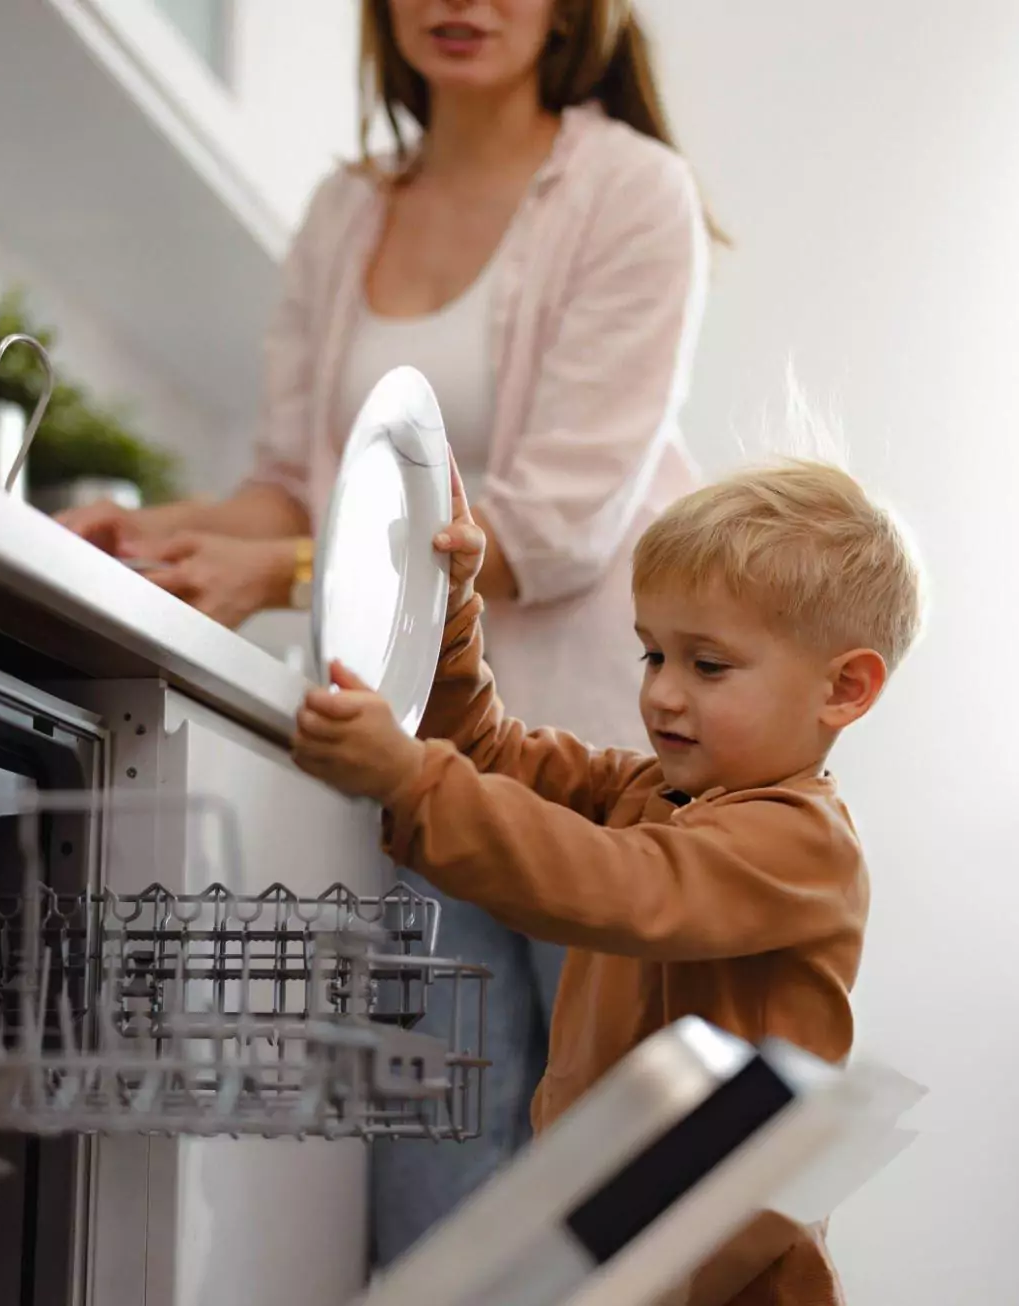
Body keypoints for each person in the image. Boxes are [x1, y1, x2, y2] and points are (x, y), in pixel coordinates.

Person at [57, 0, 719, 1261]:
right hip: (411, 776)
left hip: (591, 771)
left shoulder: (633, 191)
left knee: (608, 1208)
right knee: (435, 1200)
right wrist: (149, 534)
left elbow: (563, 522)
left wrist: (291, 565)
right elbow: (288, 485)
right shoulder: (344, 211)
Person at [290, 459, 926, 1305]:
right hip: (626, 1252)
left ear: (845, 689)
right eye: (653, 653)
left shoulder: (804, 845)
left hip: (730, 1286)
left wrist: (411, 781)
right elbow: (491, 756)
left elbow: (622, 885)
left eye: (708, 666)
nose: (661, 692)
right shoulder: (651, 794)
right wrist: (449, 609)